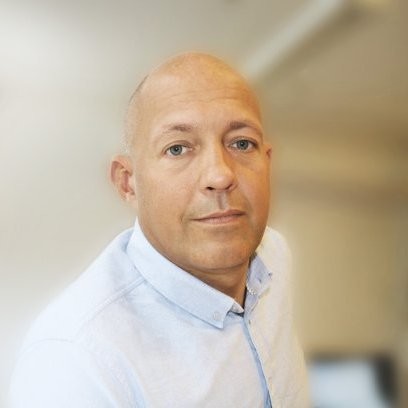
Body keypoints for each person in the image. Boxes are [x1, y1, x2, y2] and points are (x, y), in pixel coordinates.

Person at [9, 52, 309, 407]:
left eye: (242, 143)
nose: (220, 175)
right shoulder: (76, 365)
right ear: (128, 183)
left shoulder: (275, 256)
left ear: (267, 162)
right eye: (177, 148)